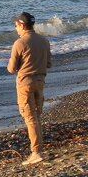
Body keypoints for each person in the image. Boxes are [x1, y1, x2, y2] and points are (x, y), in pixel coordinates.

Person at [6, 12, 52, 165]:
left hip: (25, 83)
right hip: (40, 80)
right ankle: (38, 149)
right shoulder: (44, 41)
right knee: (36, 115)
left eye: (16, 25)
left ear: (22, 25)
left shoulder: (20, 43)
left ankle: (36, 151)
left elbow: (12, 69)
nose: (16, 28)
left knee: (30, 116)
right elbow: (49, 63)